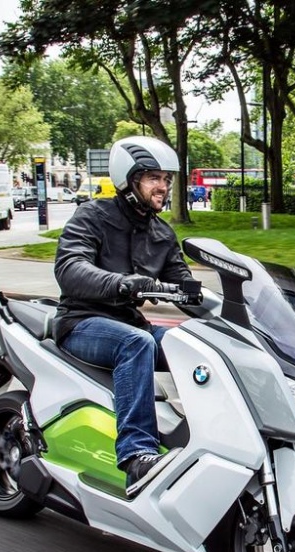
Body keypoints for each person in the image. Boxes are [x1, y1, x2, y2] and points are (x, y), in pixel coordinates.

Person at [52, 136, 191, 493]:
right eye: (154, 178)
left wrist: (227, 300)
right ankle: (137, 455)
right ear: (129, 180)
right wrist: (123, 284)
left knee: (193, 346)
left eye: (167, 179)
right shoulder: (92, 216)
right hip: (81, 322)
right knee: (138, 342)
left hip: (130, 324)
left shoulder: (162, 233)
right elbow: (70, 267)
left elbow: (184, 283)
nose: (163, 187)